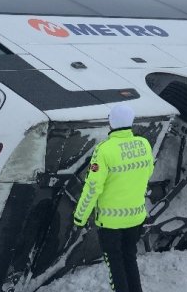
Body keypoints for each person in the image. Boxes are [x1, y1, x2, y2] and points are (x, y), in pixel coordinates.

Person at [73, 104, 154, 292]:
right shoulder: (143, 144)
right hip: (135, 217)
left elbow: (93, 187)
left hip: (111, 223)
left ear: (112, 123)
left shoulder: (104, 150)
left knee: (115, 265)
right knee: (129, 258)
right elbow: (148, 172)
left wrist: (80, 216)